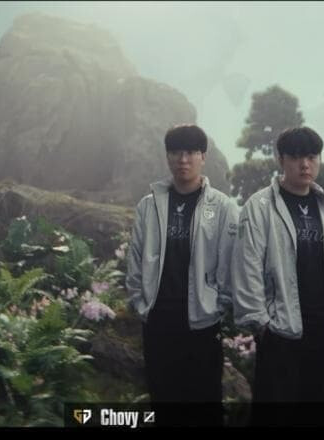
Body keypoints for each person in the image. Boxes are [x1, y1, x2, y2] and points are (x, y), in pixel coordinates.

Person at [232, 126, 324, 426]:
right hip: (281, 332)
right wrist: (261, 324)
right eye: (296, 157)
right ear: (281, 160)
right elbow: (247, 267)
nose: (305, 164)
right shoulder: (260, 207)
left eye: (312, 157)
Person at [126, 124, 239, 426]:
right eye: (176, 152)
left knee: (205, 402)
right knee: (163, 399)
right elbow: (135, 259)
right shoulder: (149, 206)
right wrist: (140, 302)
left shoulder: (223, 207)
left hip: (202, 321)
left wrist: (218, 305)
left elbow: (230, 264)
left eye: (190, 152)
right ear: (167, 156)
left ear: (203, 157)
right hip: (158, 320)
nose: (183, 159)